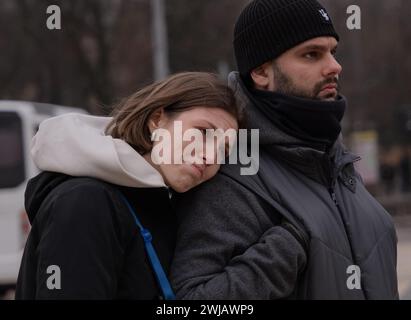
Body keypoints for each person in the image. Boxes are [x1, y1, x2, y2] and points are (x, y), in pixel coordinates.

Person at [170, 0, 399, 299]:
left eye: (332, 51)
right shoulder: (230, 175)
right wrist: (287, 248)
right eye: (311, 54)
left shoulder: (337, 165)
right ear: (261, 72)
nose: (334, 66)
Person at [15, 72, 242, 299]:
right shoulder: (85, 202)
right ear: (156, 120)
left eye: (224, 150)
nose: (211, 156)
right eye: (203, 132)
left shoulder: (160, 208)